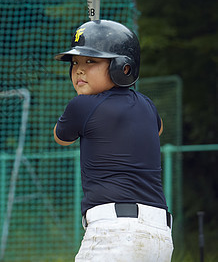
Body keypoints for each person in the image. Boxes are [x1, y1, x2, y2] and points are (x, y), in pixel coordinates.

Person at [53, 20, 174, 261]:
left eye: (91, 62)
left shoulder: (81, 105)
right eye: (75, 63)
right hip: (159, 237)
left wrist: (88, 102)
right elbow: (157, 130)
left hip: (114, 234)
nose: (79, 70)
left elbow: (60, 137)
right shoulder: (147, 105)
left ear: (124, 68)